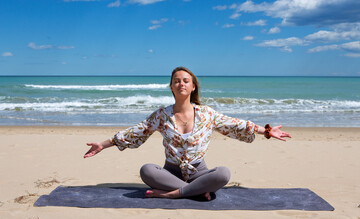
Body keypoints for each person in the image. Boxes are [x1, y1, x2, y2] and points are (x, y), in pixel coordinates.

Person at [84, 67, 291, 200]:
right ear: (171, 87)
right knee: (146, 170)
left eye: (185, 80)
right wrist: (103, 144)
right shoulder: (161, 115)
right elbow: (136, 132)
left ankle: (174, 195)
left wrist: (265, 131)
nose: (181, 83)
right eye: (176, 81)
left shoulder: (207, 114)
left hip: (200, 172)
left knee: (223, 173)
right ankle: (197, 192)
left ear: (192, 87)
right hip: (170, 173)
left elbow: (236, 124)